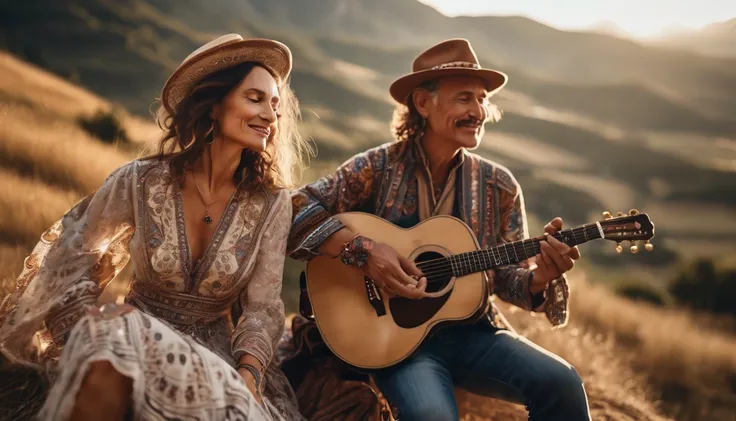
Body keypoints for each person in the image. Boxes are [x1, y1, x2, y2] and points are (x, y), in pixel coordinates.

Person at [0, 34, 309, 421]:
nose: (270, 114)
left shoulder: (272, 203)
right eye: (255, 98)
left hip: (219, 363)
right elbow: (71, 256)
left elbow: (263, 309)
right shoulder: (140, 181)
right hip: (134, 338)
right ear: (213, 105)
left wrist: (248, 374)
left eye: (275, 104)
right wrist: (85, 331)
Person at [285, 39, 591, 421]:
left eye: (482, 99)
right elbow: (294, 208)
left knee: (562, 383)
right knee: (432, 415)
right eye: (464, 98)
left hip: (474, 333)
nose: (478, 111)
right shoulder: (375, 168)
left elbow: (505, 279)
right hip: (394, 342)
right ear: (423, 104)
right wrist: (364, 252)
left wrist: (538, 279)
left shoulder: (500, 186)